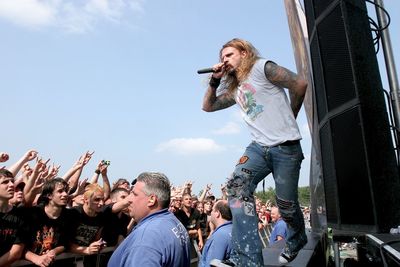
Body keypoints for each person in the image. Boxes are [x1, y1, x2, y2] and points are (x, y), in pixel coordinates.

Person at [202, 38, 307, 266]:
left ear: (244, 52)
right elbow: (208, 107)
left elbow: (299, 84)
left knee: (287, 206)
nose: (224, 60)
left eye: (229, 55)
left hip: (286, 148)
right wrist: (214, 80)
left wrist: (291, 114)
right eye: (222, 58)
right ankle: (247, 259)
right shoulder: (234, 88)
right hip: (258, 147)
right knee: (236, 188)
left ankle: (297, 238)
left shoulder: (262, 67)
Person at [108, 172, 191, 267]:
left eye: (134, 194)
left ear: (152, 200)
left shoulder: (146, 238)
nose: (129, 199)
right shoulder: (172, 222)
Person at [0, 169, 28, 266]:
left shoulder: (20, 214)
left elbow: (16, 252)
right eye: (5, 182)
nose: (12, 185)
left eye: (12, 181)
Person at [200, 200, 233, 267]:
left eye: (212, 210)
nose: (211, 213)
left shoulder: (220, 236)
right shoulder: (233, 230)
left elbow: (212, 264)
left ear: (217, 213)